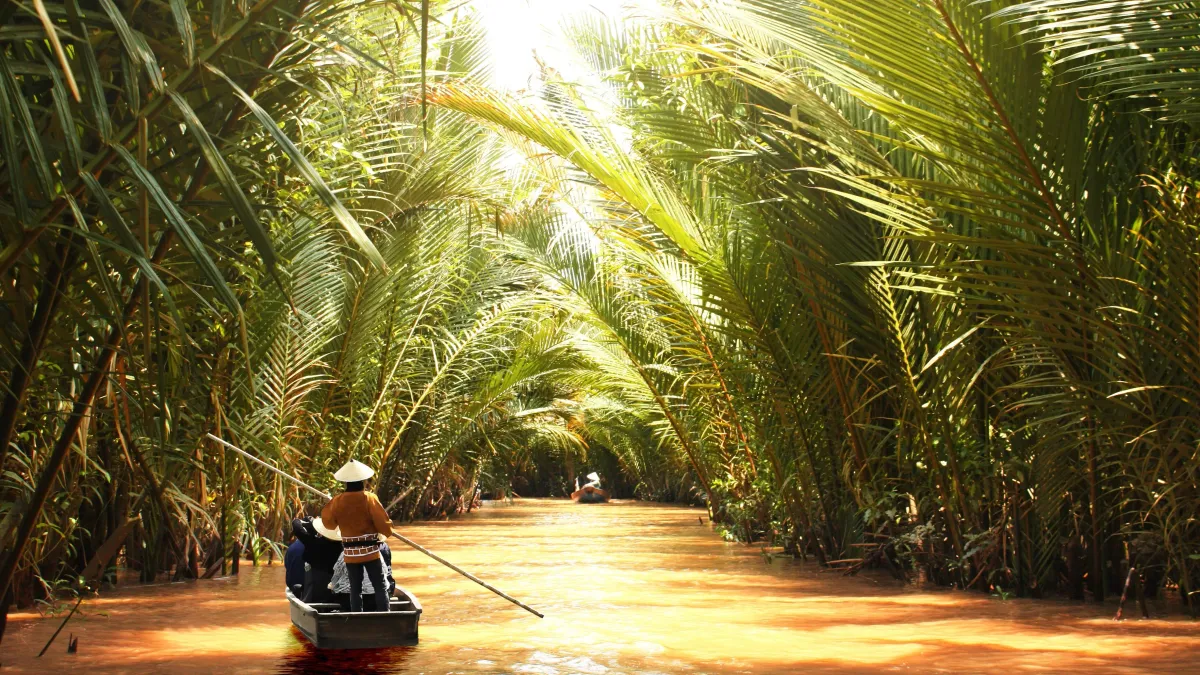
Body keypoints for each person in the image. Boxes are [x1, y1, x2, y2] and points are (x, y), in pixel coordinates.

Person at [319, 459, 393, 612]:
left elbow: (329, 524)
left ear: (346, 482)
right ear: (363, 480)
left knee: (355, 588)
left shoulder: (337, 501)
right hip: (370, 553)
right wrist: (387, 531)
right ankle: (385, 616)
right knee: (379, 586)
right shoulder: (369, 498)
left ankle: (356, 617)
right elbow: (384, 525)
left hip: (350, 554)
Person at [329, 542, 396, 611]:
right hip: (374, 599)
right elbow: (386, 573)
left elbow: (335, 578)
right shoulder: (377, 553)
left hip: (348, 599)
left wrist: (333, 588)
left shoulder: (346, 553)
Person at [293, 516, 343, 604]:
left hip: (315, 592)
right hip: (335, 592)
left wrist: (298, 521)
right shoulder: (341, 548)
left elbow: (298, 529)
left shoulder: (314, 543)